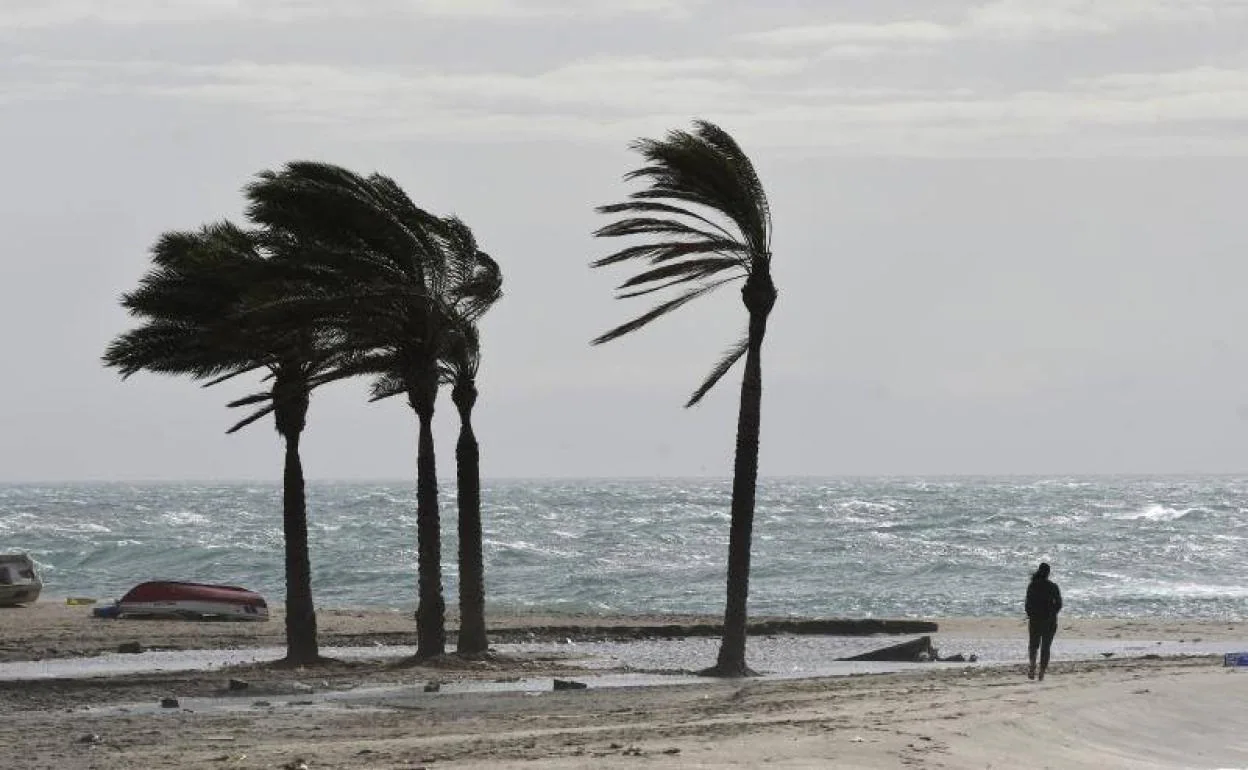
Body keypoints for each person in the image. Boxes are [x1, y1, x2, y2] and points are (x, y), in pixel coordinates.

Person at [1025, 562, 1062, 680]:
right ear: (1048, 573)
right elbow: (1059, 604)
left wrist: (1030, 614)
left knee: (1033, 645)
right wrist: (1052, 613)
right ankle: (1041, 673)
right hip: (1050, 620)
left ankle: (1032, 666)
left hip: (1035, 619)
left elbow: (1028, 603)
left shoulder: (1032, 585)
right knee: (1046, 647)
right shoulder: (1053, 586)